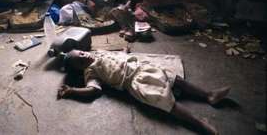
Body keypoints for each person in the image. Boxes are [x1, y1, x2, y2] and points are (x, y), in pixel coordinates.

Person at [57, 50, 231, 134]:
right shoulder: (91, 72)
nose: (84, 57)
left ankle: (208, 95)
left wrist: (124, 52)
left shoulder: (98, 53)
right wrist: (72, 90)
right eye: (80, 61)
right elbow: (92, 90)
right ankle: (199, 122)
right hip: (135, 81)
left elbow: (118, 55)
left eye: (81, 53)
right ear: (80, 69)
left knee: (173, 78)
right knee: (163, 100)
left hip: (142, 67)